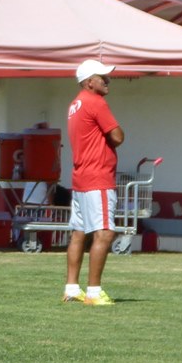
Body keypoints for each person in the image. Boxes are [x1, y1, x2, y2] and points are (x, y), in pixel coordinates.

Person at [63, 59, 124, 306]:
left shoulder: (75, 104)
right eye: (102, 77)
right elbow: (118, 136)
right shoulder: (95, 102)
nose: (107, 80)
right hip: (98, 177)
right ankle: (94, 291)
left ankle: (71, 287)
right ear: (90, 82)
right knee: (105, 232)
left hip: (80, 177)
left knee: (78, 233)